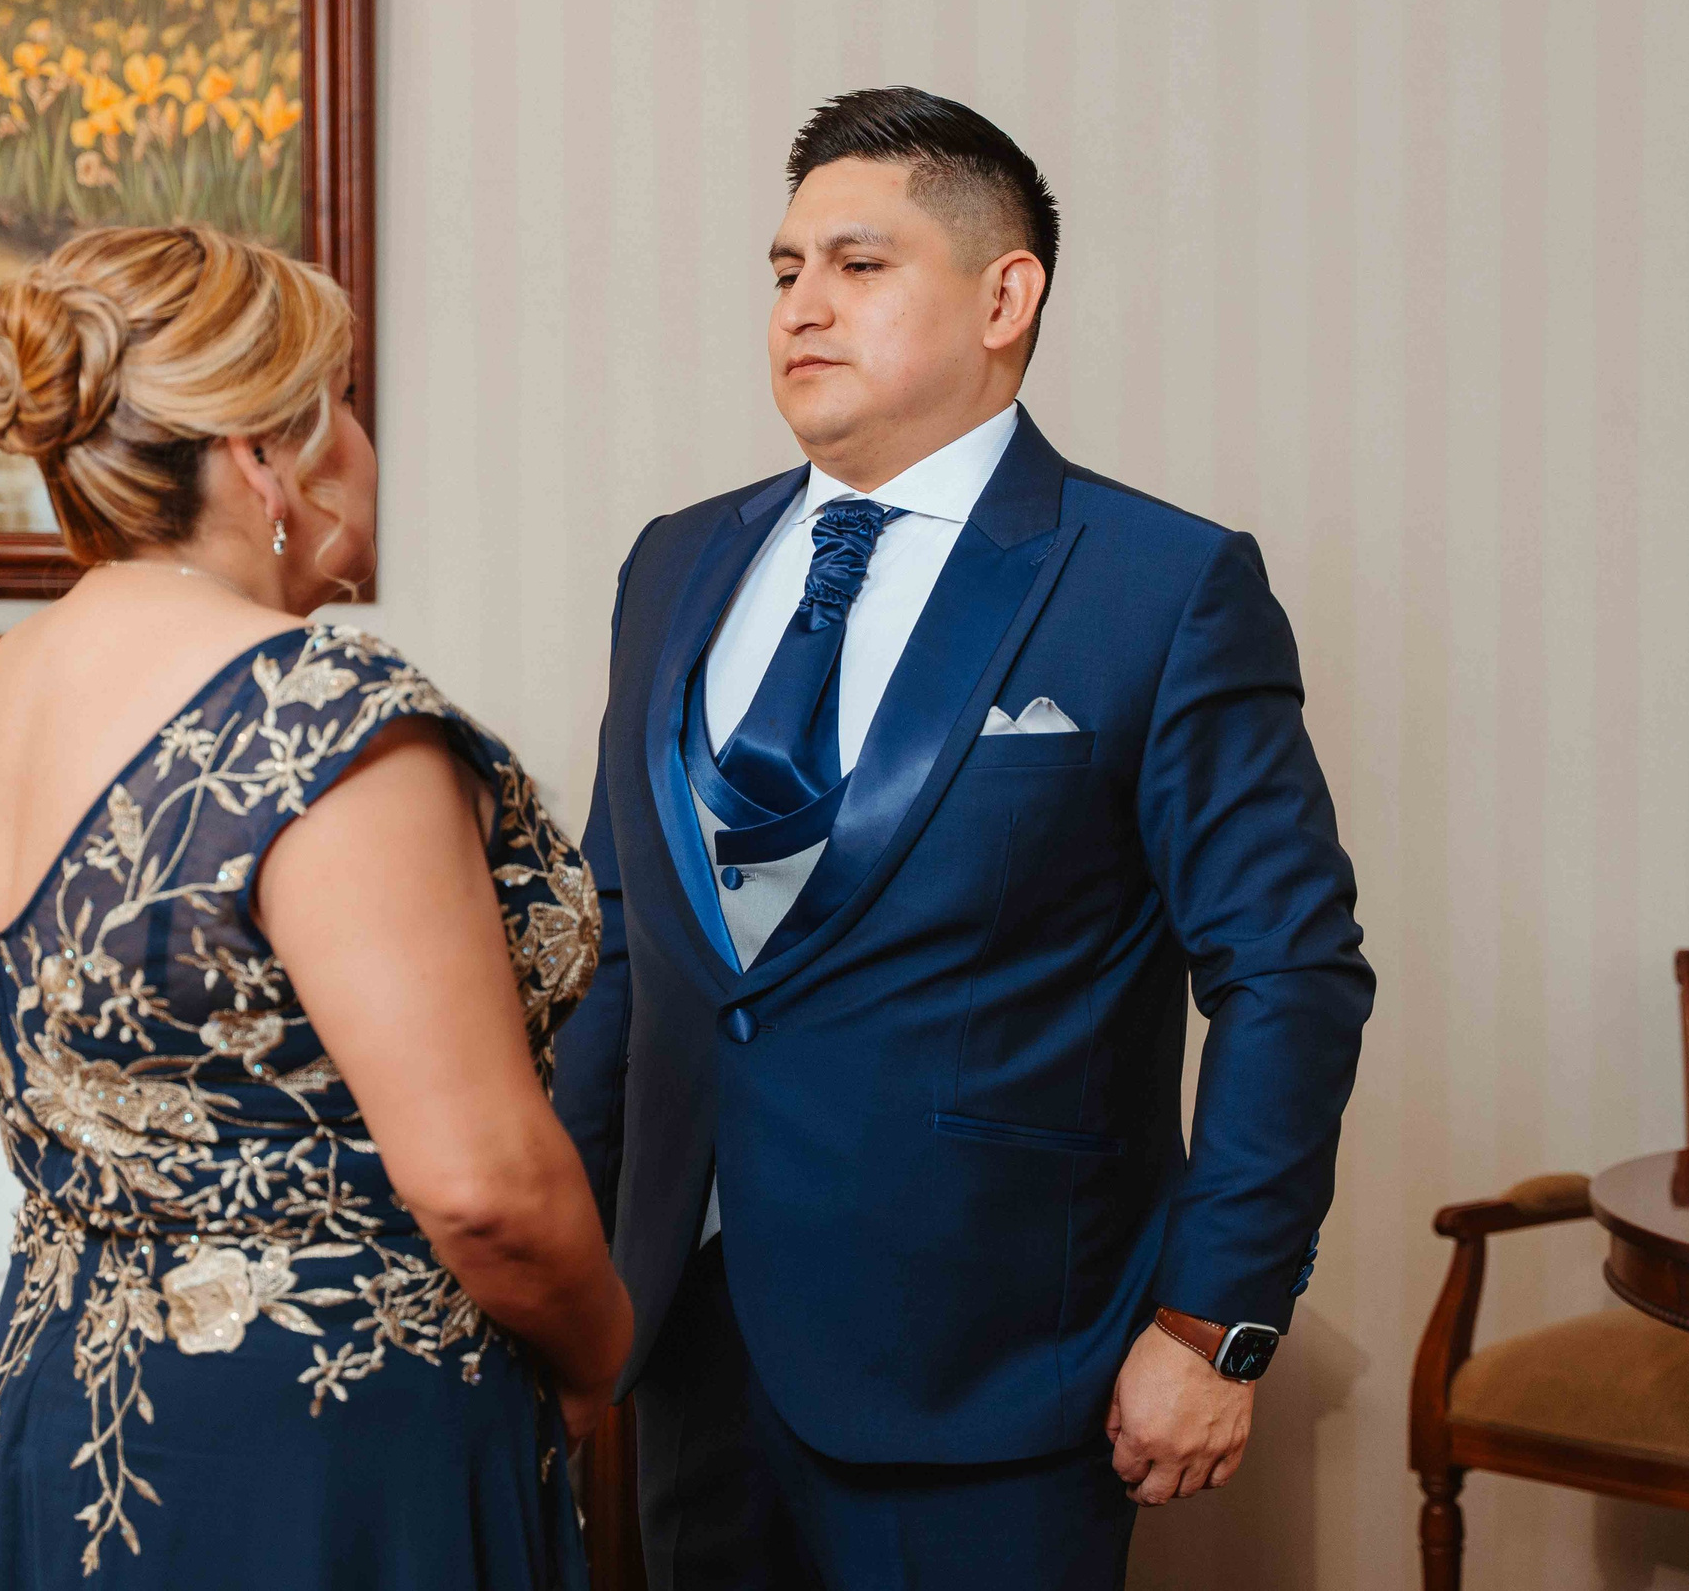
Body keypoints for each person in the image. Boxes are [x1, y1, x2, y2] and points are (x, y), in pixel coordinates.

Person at [554, 88, 1374, 1590]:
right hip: (686, 1341)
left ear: (1007, 296)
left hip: (997, 1370)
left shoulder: (1160, 583)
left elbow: (1291, 970)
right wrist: (563, 1277)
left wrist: (1213, 1322)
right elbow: (624, 948)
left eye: (858, 266)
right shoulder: (676, 562)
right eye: (787, 269)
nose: (804, 305)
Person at [0, 224, 632, 1590]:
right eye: (346, 402)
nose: (366, 441)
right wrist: (602, 1349)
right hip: (319, 1437)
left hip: (61, 1393)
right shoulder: (324, 719)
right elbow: (485, 1187)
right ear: (266, 457)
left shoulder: (0, 689)